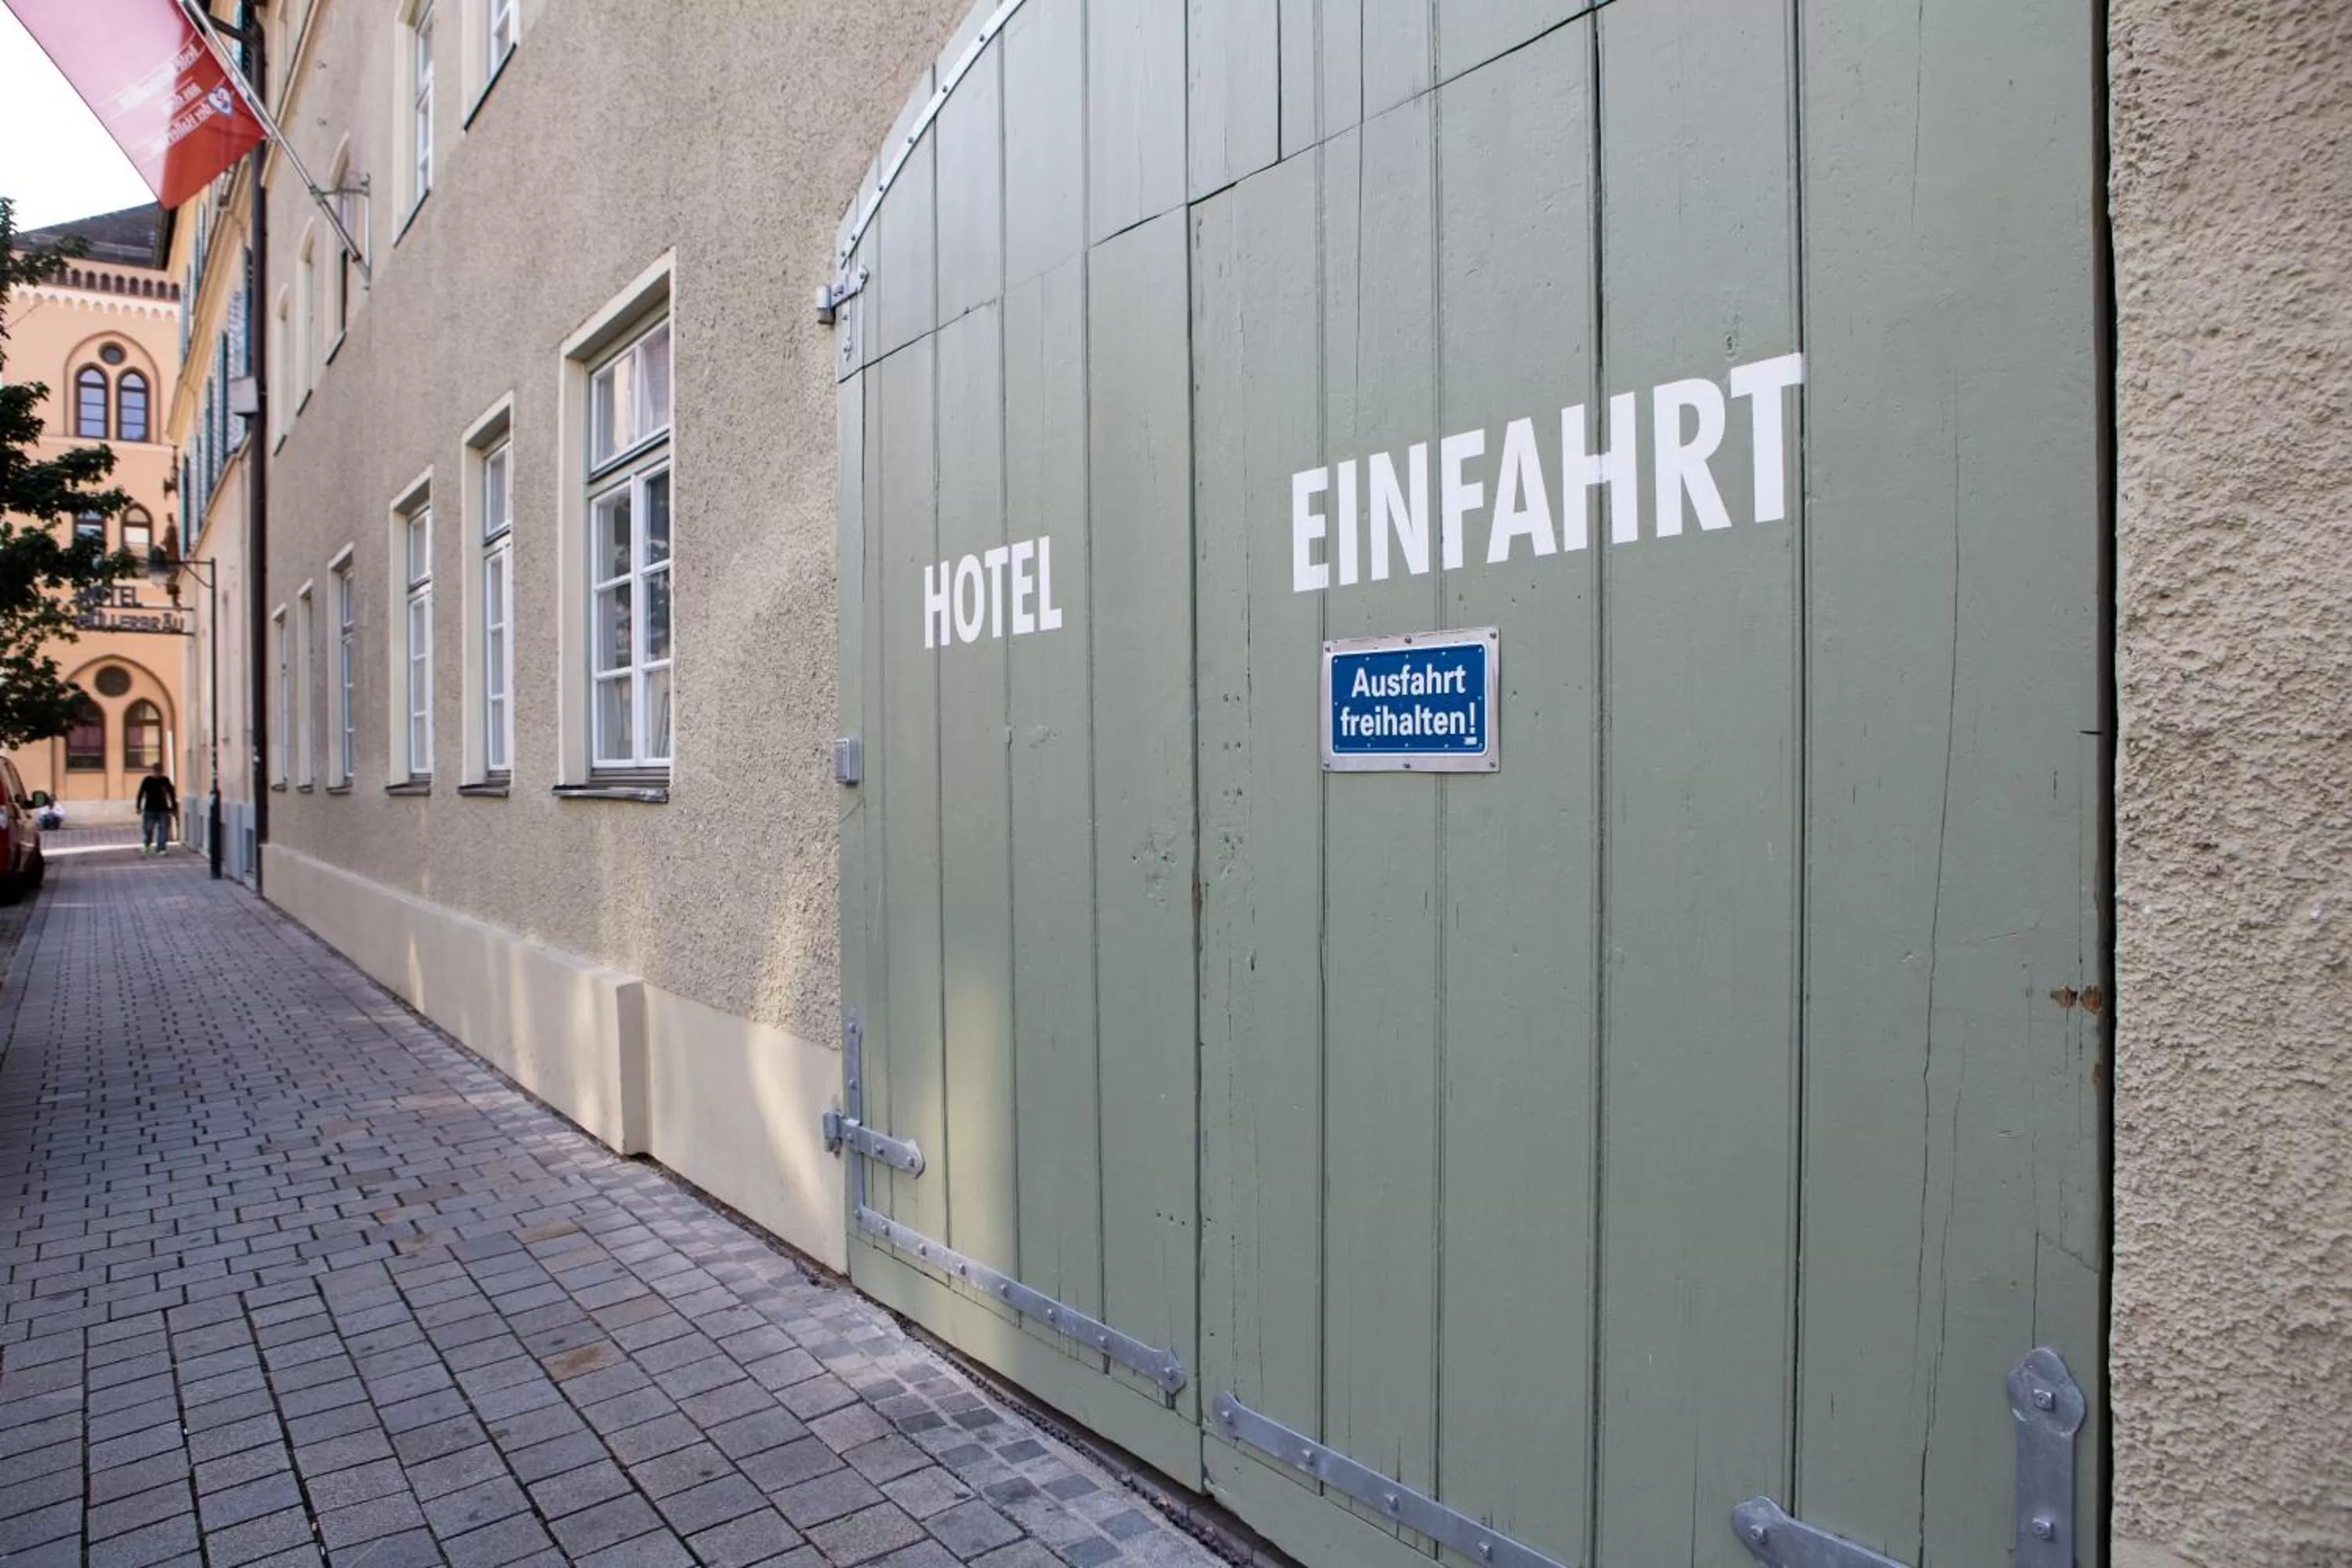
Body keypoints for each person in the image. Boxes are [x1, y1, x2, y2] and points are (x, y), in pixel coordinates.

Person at [135, 765, 176, 855]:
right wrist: (138, 806)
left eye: (160, 772)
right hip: (150, 809)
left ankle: (161, 848)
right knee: (148, 829)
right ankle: (147, 843)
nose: (158, 774)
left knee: (163, 829)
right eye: (156, 772)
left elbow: (171, 793)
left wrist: (173, 807)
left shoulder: (165, 780)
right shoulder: (147, 780)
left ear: (162, 772)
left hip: (162, 809)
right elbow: (141, 793)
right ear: (152, 771)